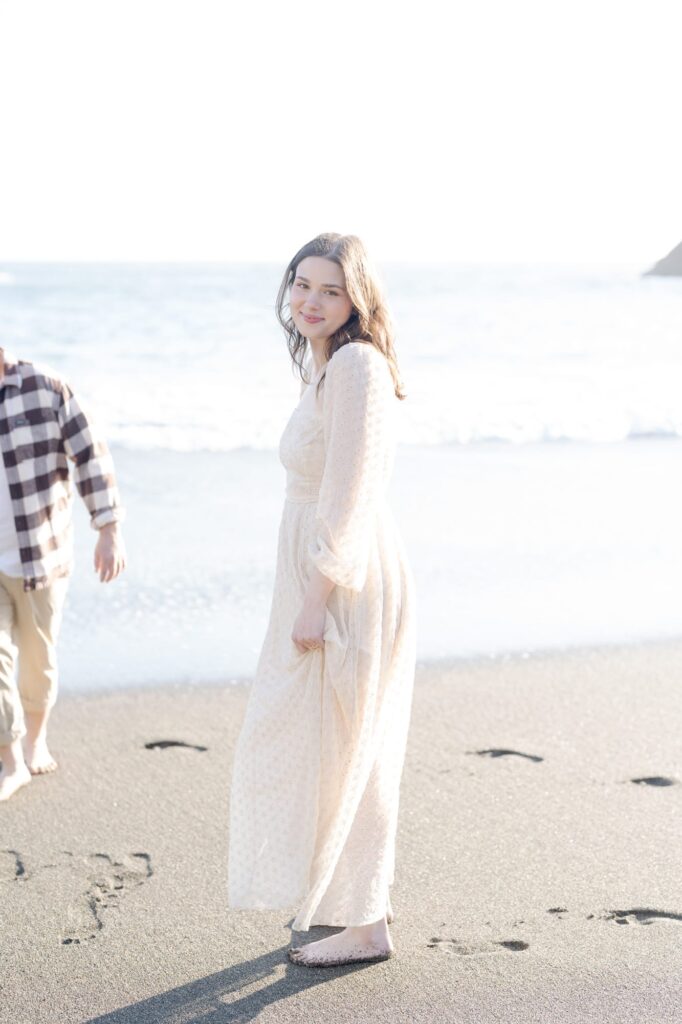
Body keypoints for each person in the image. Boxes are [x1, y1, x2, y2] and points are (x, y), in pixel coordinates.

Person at [227, 233, 416, 967]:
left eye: (330, 290)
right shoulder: (326, 363)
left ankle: (366, 924)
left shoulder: (358, 366)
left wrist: (317, 598)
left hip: (345, 578)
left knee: (353, 741)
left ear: (358, 300)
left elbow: (350, 491)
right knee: (331, 738)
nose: (309, 300)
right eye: (302, 284)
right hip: (324, 571)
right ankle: (355, 901)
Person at [0, 348, 126, 802]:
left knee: (38, 658)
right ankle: (10, 758)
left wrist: (108, 528)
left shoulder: (44, 386)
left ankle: (35, 739)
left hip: (40, 555)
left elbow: (90, 455)